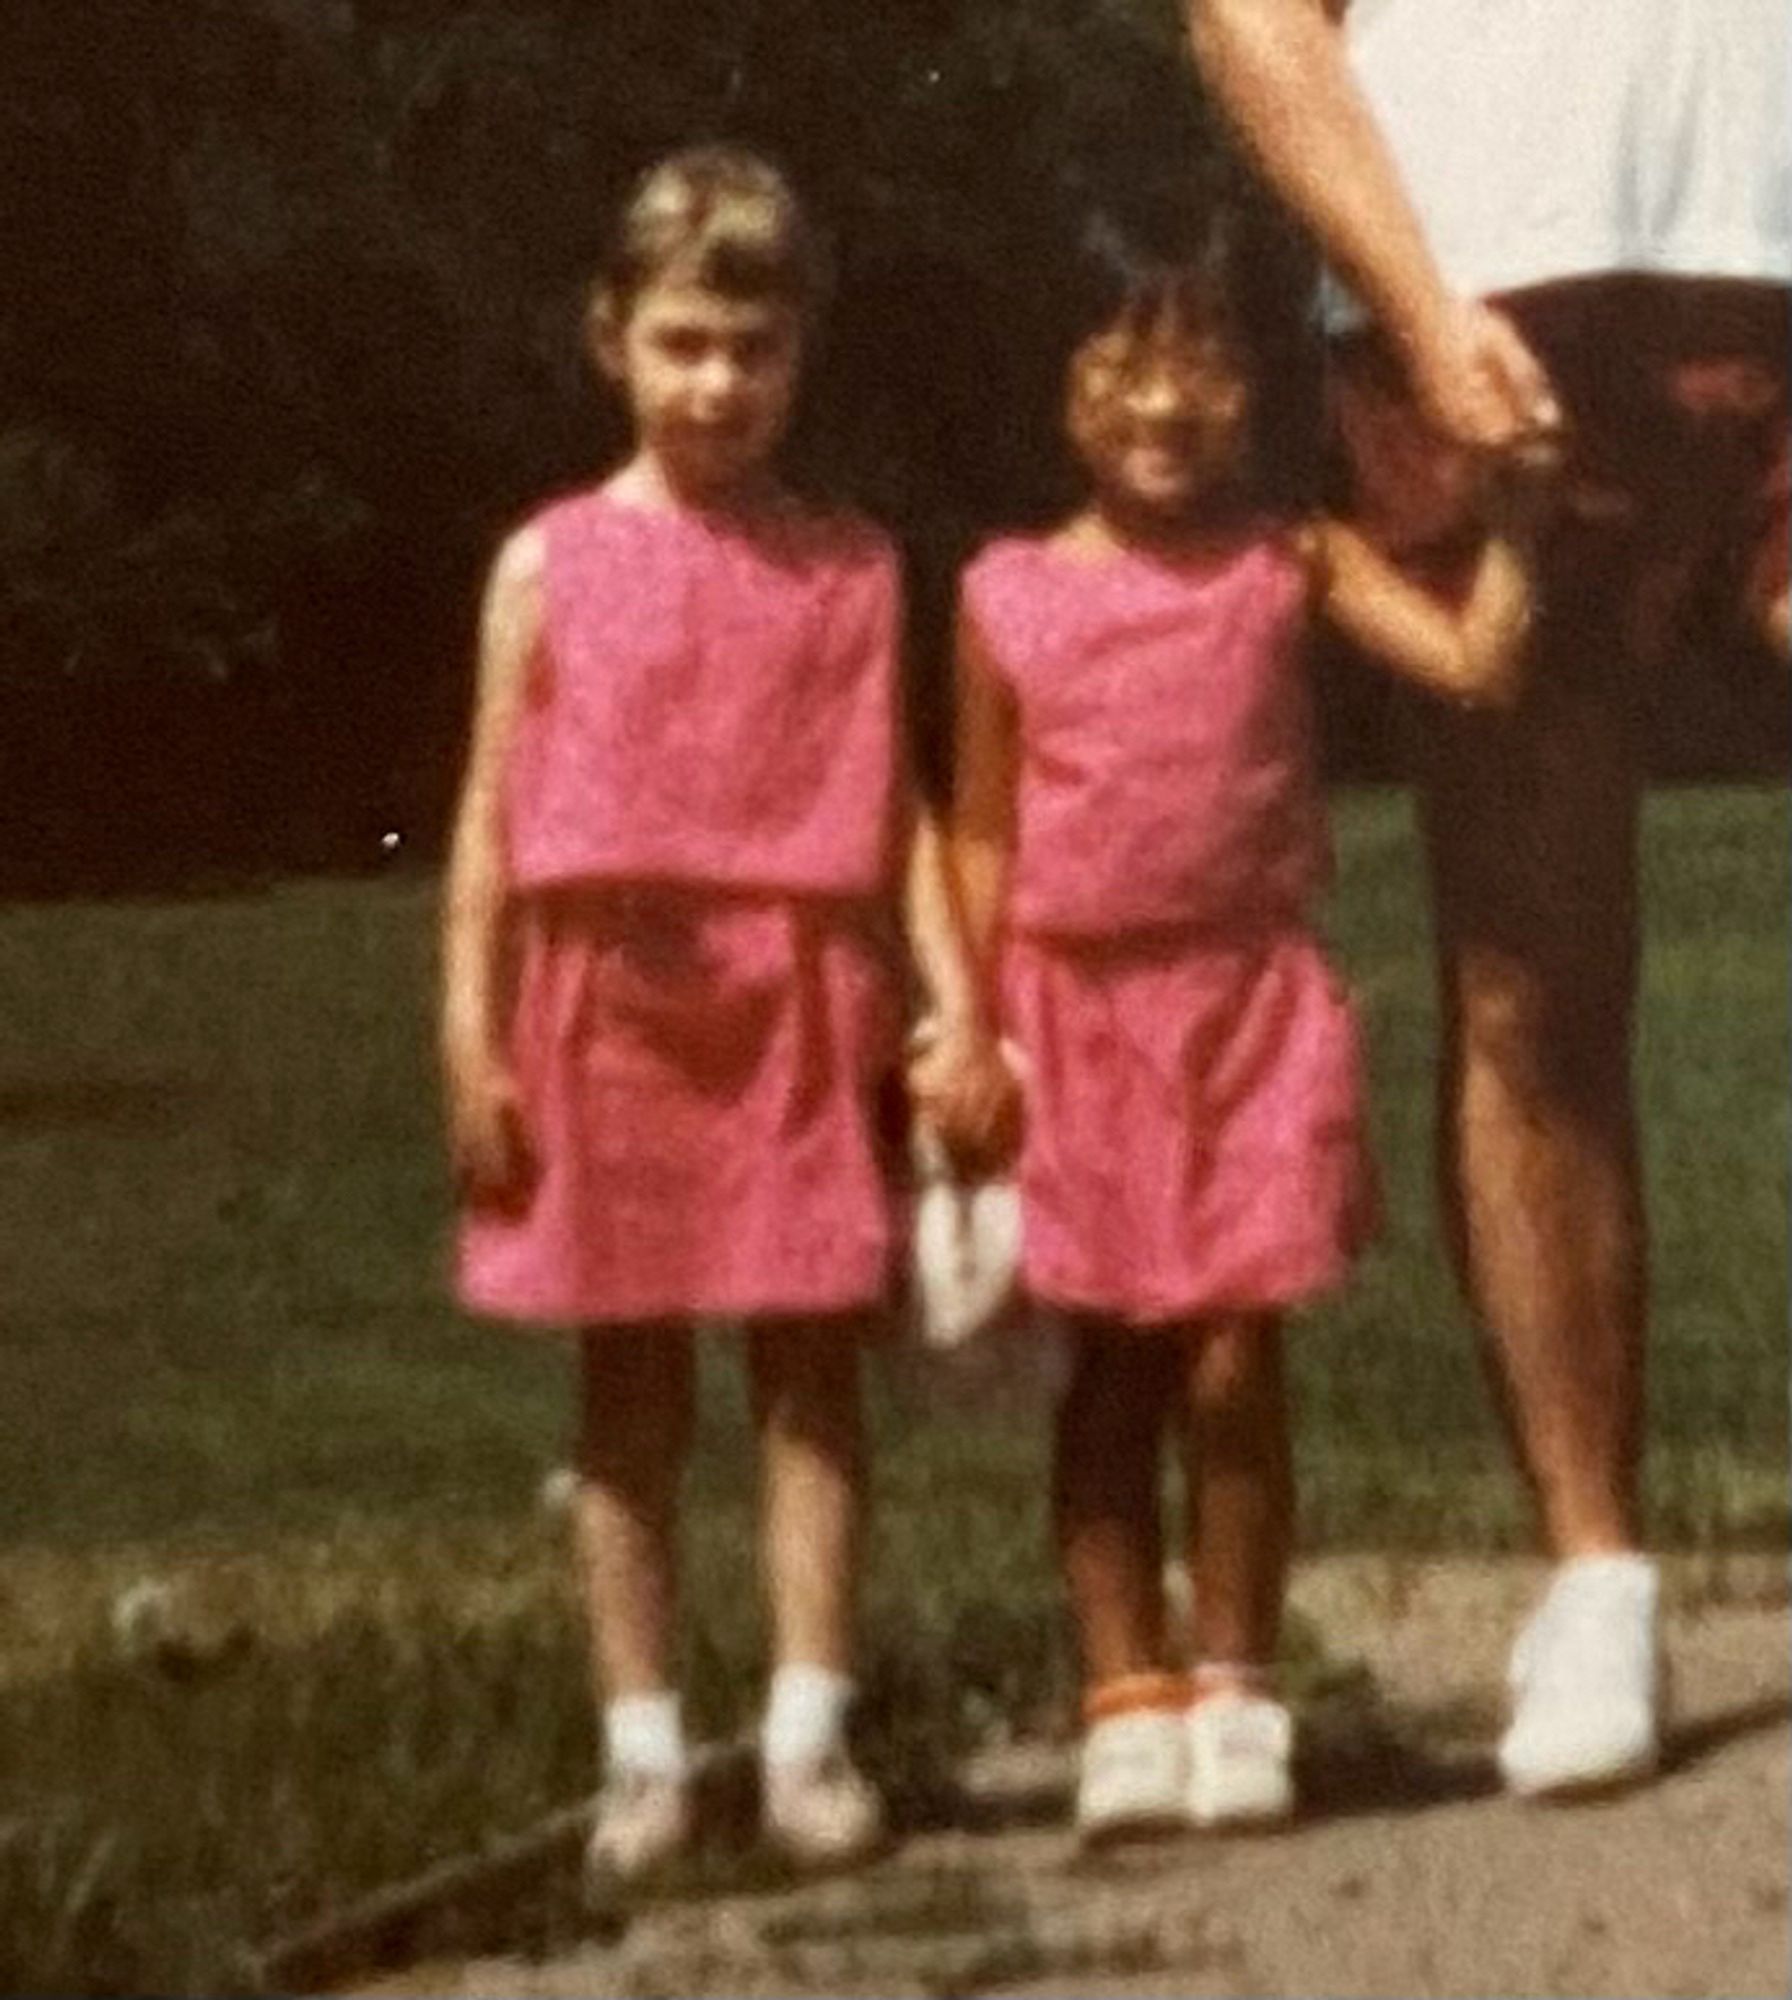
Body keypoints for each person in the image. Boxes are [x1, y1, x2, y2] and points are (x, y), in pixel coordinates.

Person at [1188, 0, 1790, 1797]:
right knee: (1536, 975)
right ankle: (1595, 1576)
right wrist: (1423, 301)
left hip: (1766, 262)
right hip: (1483, 295)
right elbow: (1251, 20)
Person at [911, 214, 1543, 1843]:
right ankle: (1127, 1693)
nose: (1166, 401)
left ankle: (1241, 1677)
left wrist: (1528, 516)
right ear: (1067, 392)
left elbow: (1472, 662)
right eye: (1127, 362)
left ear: (1253, 387)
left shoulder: (1294, 561)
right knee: (1109, 1373)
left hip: (1253, 1007)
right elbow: (979, 833)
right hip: (1074, 1015)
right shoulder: (1008, 596)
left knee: (1232, 1359)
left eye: (1201, 361)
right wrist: (965, 1026)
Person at [441, 145, 904, 1883]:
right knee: (626, 1393)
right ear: (613, 339)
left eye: (757, 347)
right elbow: (488, 811)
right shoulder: (547, 560)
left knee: (810, 1379)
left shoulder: (852, 563)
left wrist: (934, 1020)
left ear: (805, 352)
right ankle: (645, 1755)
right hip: (604, 1007)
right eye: (686, 341)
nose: (720, 383)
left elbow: (901, 810)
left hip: (794, 1003)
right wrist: (468, 1037)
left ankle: (806, 1737)